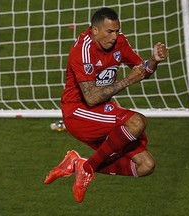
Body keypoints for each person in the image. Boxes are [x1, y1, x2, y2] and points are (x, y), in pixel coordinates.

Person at [44, 7, 168, 203]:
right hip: (78, 112)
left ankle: (79, 165)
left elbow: (140, 70)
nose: (115, 36)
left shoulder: (119, 42)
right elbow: (91, 97)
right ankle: (87, 168)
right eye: (110, 31)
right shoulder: (82, 51)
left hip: (101, 109)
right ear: (94, 30)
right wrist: (127, 81)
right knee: (137, 123)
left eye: (117, 31)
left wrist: (153, 61)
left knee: (146, 166)